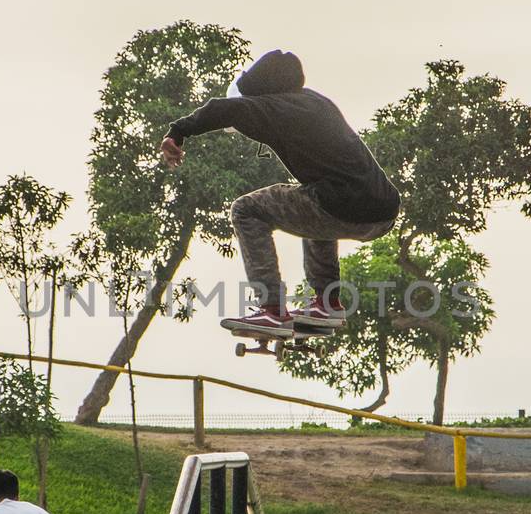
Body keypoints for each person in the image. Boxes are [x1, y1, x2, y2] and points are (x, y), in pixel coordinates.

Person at [160, 49, 400, 335]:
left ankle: (272, 310)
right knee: (313, 202)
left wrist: (177, 132)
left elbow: (222, 109)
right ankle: (327, 303)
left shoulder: (272, 107)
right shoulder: (314, 101)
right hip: (382, 211)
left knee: (246, 209)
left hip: (343, 203)